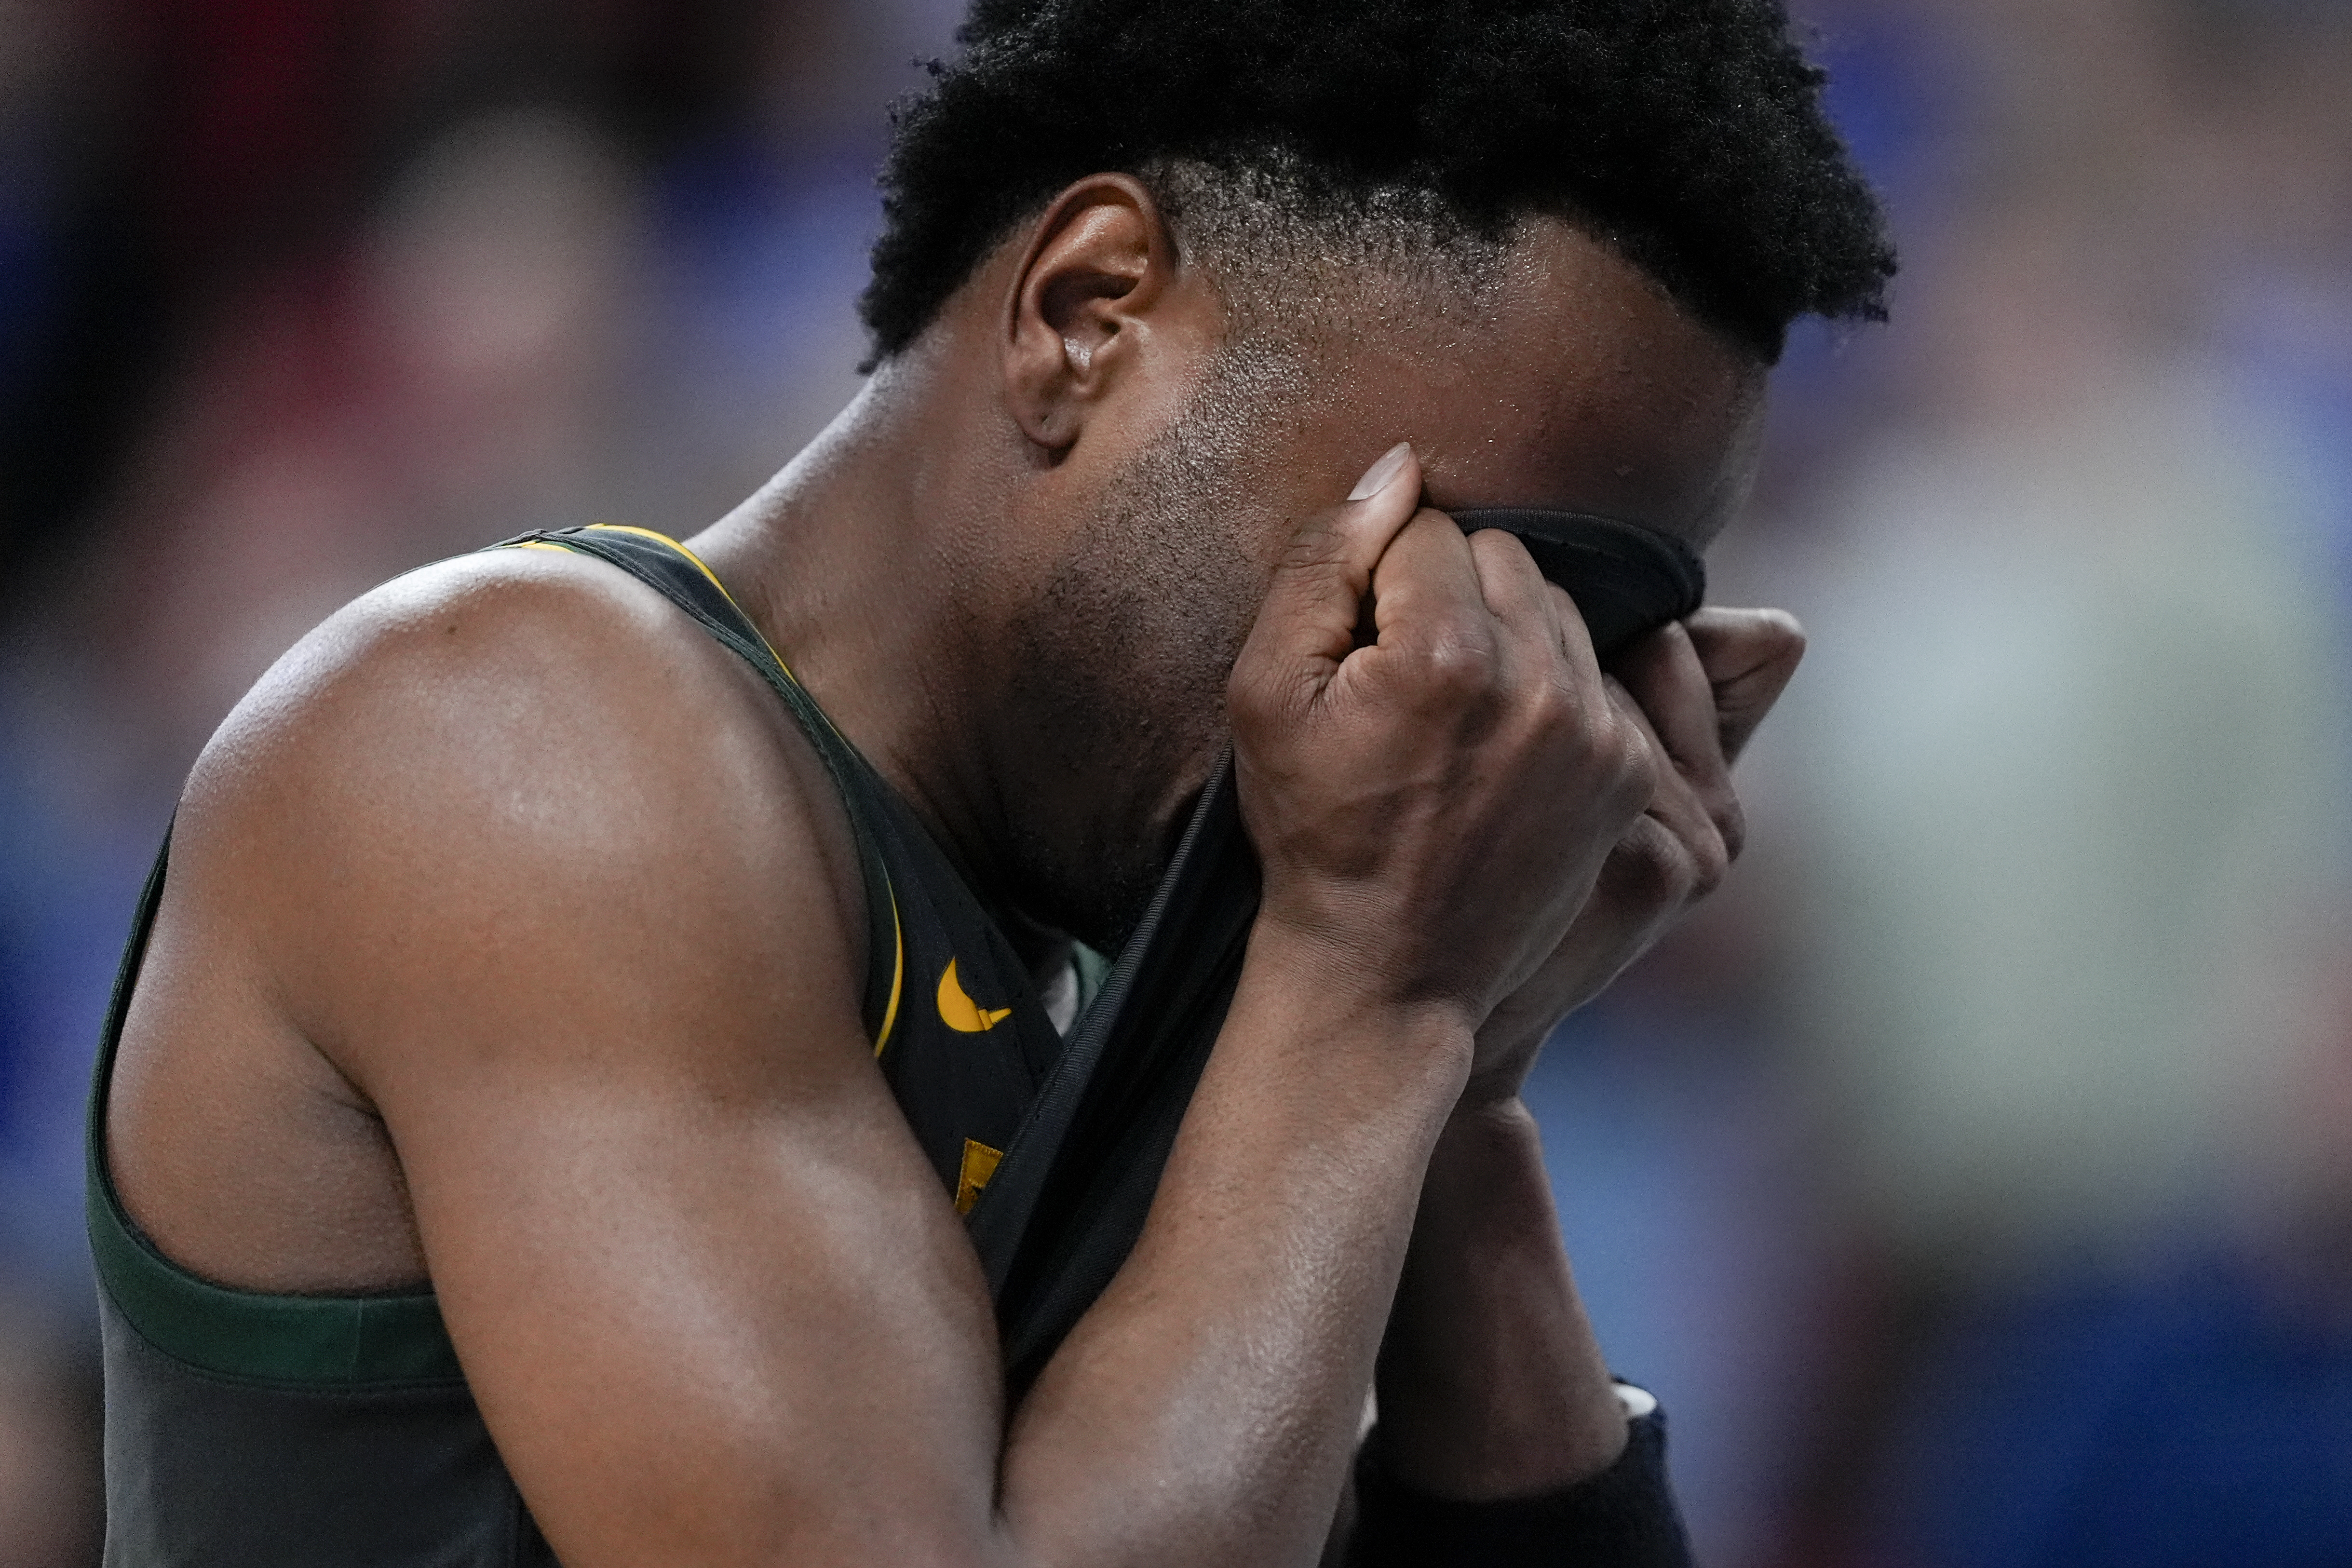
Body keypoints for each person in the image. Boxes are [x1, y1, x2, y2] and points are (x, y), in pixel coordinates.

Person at [85, 0, 1891, 1562]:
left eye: (1566, 632)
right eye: (1439, 572)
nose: (1486, 705)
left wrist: (1468, 1082)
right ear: (1085, 314)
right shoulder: (521, 735)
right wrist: (1380, 991)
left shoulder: (1203, 961)